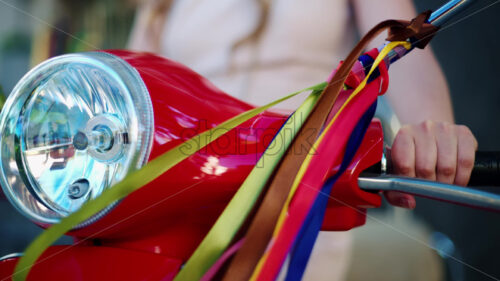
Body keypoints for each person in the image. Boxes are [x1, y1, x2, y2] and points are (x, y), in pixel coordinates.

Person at [128, 0, 478, 280]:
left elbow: (403, 49)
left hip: (303, 204)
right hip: (184, 214)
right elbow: (130, 93)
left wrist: (432, 129)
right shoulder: (159, 6)